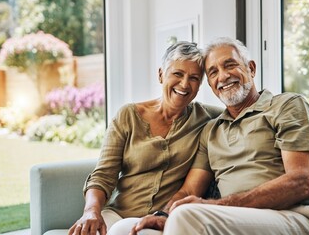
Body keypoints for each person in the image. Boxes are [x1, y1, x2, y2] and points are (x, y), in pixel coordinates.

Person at [129, 37, 309, 235]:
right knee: (139, 230)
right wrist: (163, 214)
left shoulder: (286, 106)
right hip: (232, 219)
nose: (223, 76)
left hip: (299, 217)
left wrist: (215, 206)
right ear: (209, 84)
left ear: (251, 68)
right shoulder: (211, 131)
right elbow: (189, 189)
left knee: (187, 216)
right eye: (213, 72)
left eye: (230, 65)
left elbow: (300, 182)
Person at [67, 41, 222, 235]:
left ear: (200, 85)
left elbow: (239, 112)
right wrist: (91, 211)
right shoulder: (128, 116)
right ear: (160, 75)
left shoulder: (209, 118)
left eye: (194, 78)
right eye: (177, 74)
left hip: (162, 219)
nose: (184, 84)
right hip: (118, 213)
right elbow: (103, 175)